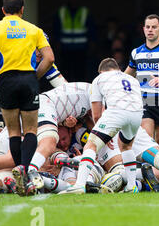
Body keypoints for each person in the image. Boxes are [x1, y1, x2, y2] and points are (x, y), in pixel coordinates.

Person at [0, 0, 55, 188]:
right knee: (30, 130)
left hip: (6, 81)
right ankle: (25, 169)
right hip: (28, 79)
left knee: (13, 131)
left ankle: (20, 171)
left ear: (3, 10)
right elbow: (49, 58)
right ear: (22, 10)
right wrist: (35, 76)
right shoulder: (34, 29)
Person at [59, 58, 144, 194]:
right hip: (137, 114)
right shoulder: (132, 79)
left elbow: (97, 115)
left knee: (91, 145)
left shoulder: (99, 79)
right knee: (126, 147)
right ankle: (131, 186)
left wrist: (105, 135)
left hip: (116, 112)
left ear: (101, 72)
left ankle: (79, 185)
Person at [14, 82, 93, 196]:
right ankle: (29, 172)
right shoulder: (93, 93)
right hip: (44, 104)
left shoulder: (79, 129)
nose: (61, 143)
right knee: (50, 142)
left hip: (39, 105)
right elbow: (97, 118)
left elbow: (91, 119)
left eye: (64, 138)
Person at [124, 14, 159, 152]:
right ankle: (147, 171)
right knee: (147, 139)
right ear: (143, 29)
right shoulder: (136, 53)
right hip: (144, 100)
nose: (150, 30)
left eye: (154, 27)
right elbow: (126, 75)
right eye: (147, 27)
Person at [53, 0, 96, 82]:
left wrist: (92, 43)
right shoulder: (62, 11)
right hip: (65, 48)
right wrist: (57, 44)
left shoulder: (84, 11)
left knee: (80, 72)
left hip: (81, 48)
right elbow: (56, 29)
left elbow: (91, 29)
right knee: (65, 72)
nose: (74, 1)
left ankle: (79, 91)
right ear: (68, 0)